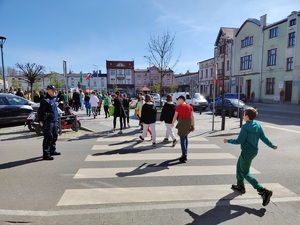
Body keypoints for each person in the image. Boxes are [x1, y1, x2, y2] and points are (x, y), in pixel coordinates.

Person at [223, 108, 278, 207]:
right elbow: (264, 138)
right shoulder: (257, 125)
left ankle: (263, 191)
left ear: (247, 116)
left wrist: (228, 140)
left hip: (247, 152)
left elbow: (239, 140)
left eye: (243, 114)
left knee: (245, 172)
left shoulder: (245, 127)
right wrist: (272, 145)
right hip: (253, 151)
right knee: (239, 166)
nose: (243, 116)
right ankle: (240, 186)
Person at [38, 85, 61, 160]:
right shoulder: (45, 100)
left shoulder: (52, 99)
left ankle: (52, 150)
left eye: (55, 90)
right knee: (48, 137)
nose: (55, 91)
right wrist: (41, 120)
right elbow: (40, 112)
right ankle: (46, 154)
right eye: (53, 90)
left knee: (55, 136)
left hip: (54, 120)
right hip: (48, 122)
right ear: (48, 91)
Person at [171, 95, 195, 163]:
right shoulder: (190, 106)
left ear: (181, 99)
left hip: (182, 123)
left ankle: (184, 155)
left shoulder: (178, 107)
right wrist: (193, 125)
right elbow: (192, 117)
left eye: (178, 99)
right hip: (188, 123)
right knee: (186, 137)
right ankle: (185, 152)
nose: (178, 101)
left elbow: (175, 116)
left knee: (182, 139)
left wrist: (173, 123)